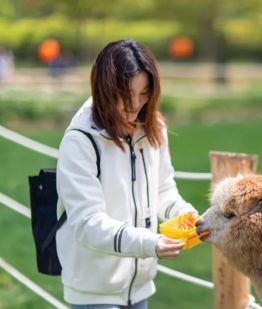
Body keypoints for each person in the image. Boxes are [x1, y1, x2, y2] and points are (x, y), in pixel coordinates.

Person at [56, 39, 198, 308]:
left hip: (141, 288)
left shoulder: (153, 127)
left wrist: (188, 218)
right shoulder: (80, 141)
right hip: (94, 294)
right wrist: (151, 244)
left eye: (144, 93)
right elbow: (88, 224)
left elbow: (163, 190)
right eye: (125, 95)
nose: (135, 105)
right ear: (104, 89)